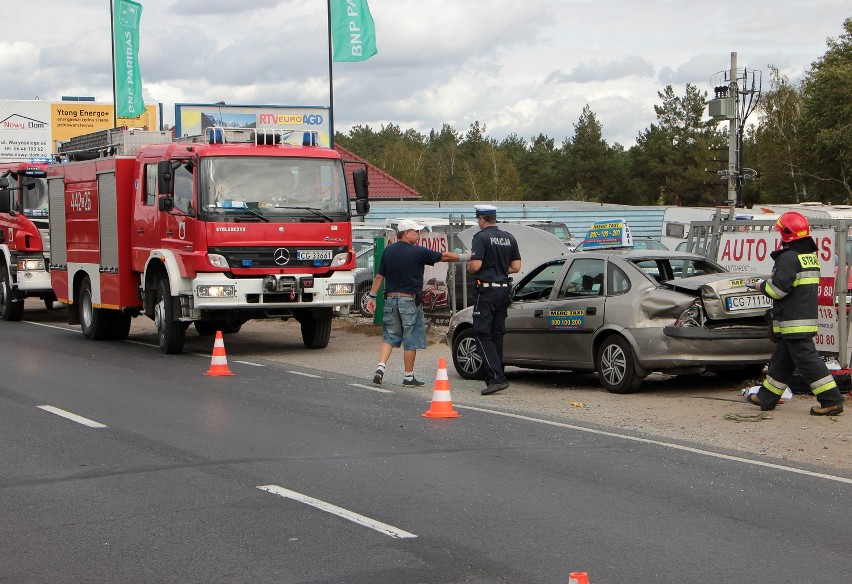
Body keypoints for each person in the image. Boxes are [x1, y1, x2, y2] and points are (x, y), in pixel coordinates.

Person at [747, 211, 844, 416]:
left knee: (808, 362)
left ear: (786, 234)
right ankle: (767, 396)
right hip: (801, 320)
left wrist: (760, 286)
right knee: (783, 361)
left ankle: (831, 400)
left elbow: (778, 290)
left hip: (793, 322)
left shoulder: (789, 258)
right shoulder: (808, 256)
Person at [366, 219, 469, 386]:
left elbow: (379, 277)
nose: (419, 234)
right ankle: (408, 377)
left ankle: (380, 368)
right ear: (407, 233)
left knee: (389, 336)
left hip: (391, 299)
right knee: (410, 339)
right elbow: (444, 256)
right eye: (416, 231)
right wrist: (468, 257)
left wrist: (371, 297)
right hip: (409, 300)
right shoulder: (418, 252)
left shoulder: (388, 251)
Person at [467, 205, 522, 395]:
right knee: (497, 334)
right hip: (503, 291)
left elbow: (475, 265)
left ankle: (496, 377)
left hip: (487, 292)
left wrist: (472, 268)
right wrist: (498, 269)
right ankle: (497, 376)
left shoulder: (480, 238)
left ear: (482, 219)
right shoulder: (509, 237)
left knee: (482, 333)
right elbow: (516, 266)